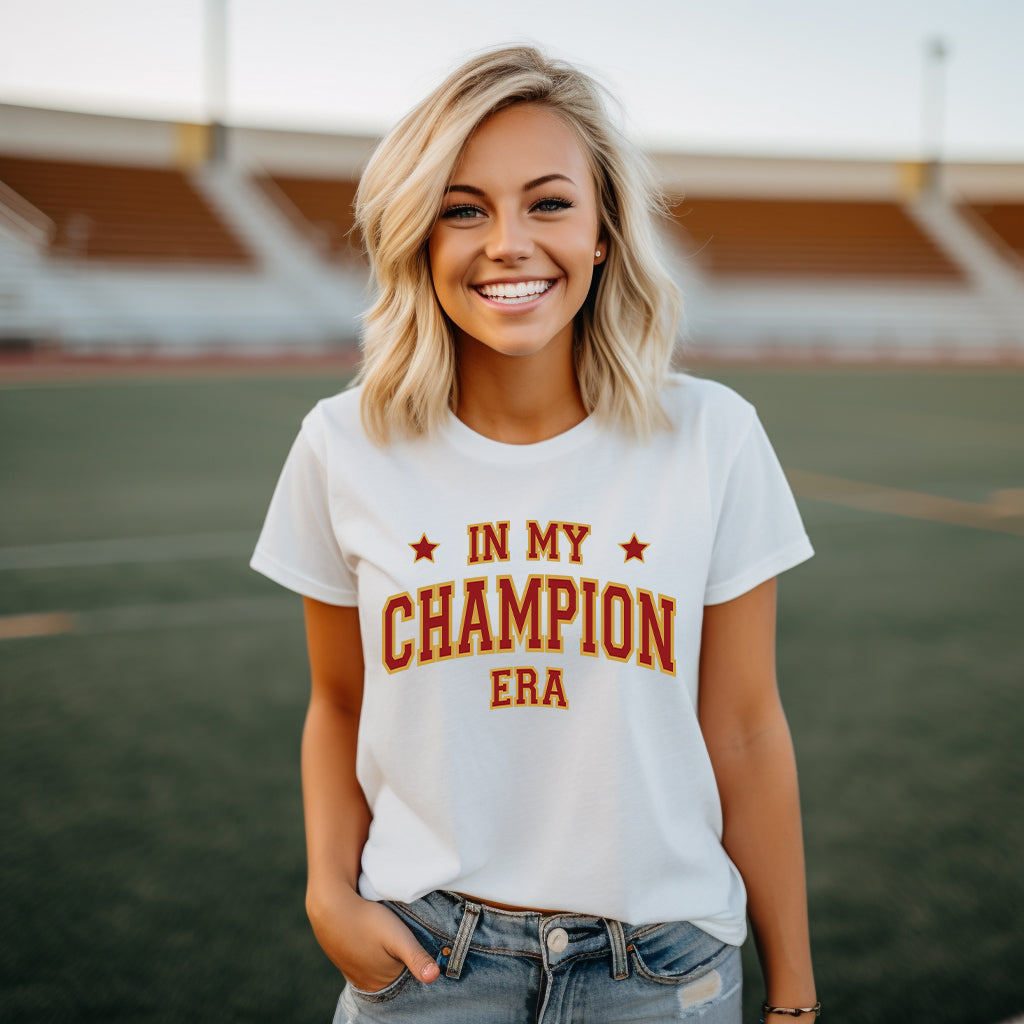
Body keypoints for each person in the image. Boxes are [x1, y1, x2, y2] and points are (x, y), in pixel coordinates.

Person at [251, 45, 819, 1024]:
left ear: (603, 232)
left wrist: (796, 999)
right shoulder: (342, 445)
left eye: (548, 203)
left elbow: (744, 728)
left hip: (662, 970)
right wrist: (327, 894)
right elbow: (338, 700)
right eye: (463, 209)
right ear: (419, 238)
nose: (507, 241)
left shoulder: (711, 434)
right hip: (426, 963)